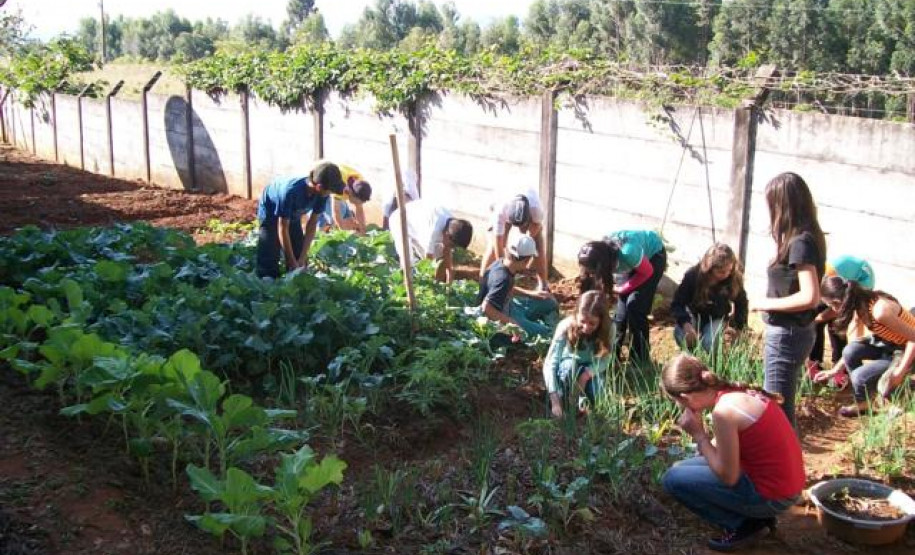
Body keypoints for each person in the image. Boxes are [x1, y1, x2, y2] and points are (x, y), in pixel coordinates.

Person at [661, 354, 805, 552]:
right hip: (786, 485)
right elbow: (724, 449)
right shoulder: (734, 393)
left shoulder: (724, 412)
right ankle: (755, 517)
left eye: (680, 402)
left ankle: (744, 524)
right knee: (682, 468)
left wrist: (699, 435)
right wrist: (705, 444)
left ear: (686, 397)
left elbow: (729, 477)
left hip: (774, 496)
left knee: (673, 479)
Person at [750, 172, 826, 427]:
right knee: (781, 406)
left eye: (772, 204)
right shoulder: (804, 237)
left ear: (784, 205)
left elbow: (810, 296)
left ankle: (784, 466)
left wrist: (764, 303)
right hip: (793, 332)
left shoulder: (801, 242)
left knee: (777, 410)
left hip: (787, 334)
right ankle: (788, 465)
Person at [812, 276, 915, 416]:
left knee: (863, 378)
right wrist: (834, 370)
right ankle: (863, 403)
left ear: (837, 302)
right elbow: (856, 343)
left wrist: (899, 373)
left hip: (907, 349)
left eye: (831, 306)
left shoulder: (880, 311)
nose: (831, 310)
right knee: (850, 351)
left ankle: (902, 396)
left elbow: (913, 339)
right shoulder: (861, 305)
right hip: (891, 344)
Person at [578, 230, 666, 365]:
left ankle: (639, 359)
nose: (591, 273)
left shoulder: (628, 253)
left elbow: (647, 272)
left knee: (635, 306)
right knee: (621, 314)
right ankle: (611, 357)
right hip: (630, 260)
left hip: (653, 258)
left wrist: (623, 289)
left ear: (602, 265)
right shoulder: (601, 254)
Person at [255, 162, 345, 278]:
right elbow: (283, 227)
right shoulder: (290, 192)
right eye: (330, 191)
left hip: (293, 214)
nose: (330, 194)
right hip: (270, 211)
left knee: (299, 253)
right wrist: (290, 260)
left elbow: (312, 224)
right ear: (319, 187)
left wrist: (302, 257)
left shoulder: (322, 194)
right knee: (269, 253)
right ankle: (266, 281)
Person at [806, 255, 876, 386]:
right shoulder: (823, 277)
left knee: (837, 325)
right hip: (840, 281)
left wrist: (817, 320)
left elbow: (838, 310)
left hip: (859, 282)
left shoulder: (861, 289)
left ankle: (840, 368)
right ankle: (815, 362)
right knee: (815, 320)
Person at [542, 291, 613, 418]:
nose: (586, 327)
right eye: (582, 321)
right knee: (570, 367)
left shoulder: (609, 328)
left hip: (591, 369)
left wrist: (585, 376)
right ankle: (563, 397)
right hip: (568, 366)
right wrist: (554, 400)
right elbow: (551, 362)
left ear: (601, 321)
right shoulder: (565, 326)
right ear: (576, 315)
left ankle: (583, 402)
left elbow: (605, 359)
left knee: (598, 395)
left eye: (592, 323)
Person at [477, 234, 558, 339]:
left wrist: (532, 294)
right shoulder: (502, 279)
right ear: (525, 260)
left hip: (511, 307)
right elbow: (487, 309)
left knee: (549, 302)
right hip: (502, 319)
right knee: (546, 333)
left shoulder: (501, 263)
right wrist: (513, 324)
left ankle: (528, 322)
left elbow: (505, 290)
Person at [671, 243, 748, 353]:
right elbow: (677, 303)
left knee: (708, 343)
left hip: (717, 317)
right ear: (709, 268)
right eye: (721, 272)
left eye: (730, 270)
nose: (727, 274)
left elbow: (742, 303)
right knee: (682, 335)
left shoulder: (733, 279)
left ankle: (707, 362)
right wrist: (685, 324)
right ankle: (690, 357)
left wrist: (739, 328)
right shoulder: (693, 276)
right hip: (693, 314)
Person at [479, 188, 549, 292]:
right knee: (492, 247)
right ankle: (482, 283)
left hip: (529, 214)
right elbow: (498, 243)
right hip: (504, 207)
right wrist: (504, 272)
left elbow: (537, 226)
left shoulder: (536, 210)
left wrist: (527, 245)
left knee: (538, 246)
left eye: (522, 225)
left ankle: (543, 285)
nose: (519, 228)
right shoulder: (501, 212)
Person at [388, 199, 473, 284]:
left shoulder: (453, 225)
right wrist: (430, 284)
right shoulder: (434, 231)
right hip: (400, 220)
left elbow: (447, 250)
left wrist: (449, 274)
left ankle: (432, 280)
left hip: (418, 223)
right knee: (407, 259)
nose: (452, 248)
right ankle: (403, 284)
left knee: (438, 255)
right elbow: (428, 260)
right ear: (447, 235)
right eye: (452, 245)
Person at [318, 164, 372, 234]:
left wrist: (363, 232)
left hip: (341, 187)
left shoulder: (361, 185)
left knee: (349, 223)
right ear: (351, 193)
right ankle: (321, 224)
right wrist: (342, 233)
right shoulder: (339, 186)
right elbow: (336, 211)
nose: (358, 204)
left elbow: (360, 210)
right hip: (323, 188)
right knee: (330, 224)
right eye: (357, 202)